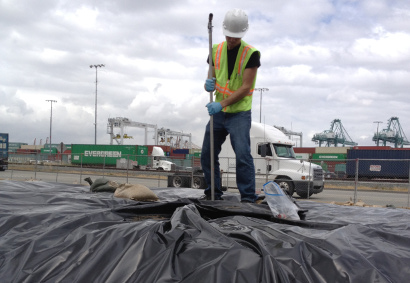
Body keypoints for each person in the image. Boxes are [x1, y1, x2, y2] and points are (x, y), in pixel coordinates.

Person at [200, 8, 261, 203]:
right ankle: (213, 193)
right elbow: (211, 79)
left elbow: (245, 88)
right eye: (229, 36)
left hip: (239, 113)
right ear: (224, 31)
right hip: (219, 113)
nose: (231, 40)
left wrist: (221, 104)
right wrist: (207, 84)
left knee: (242, 154)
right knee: (208, 153)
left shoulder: (251, 54)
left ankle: (248, 198)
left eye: (235, 37)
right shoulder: (215, 50)